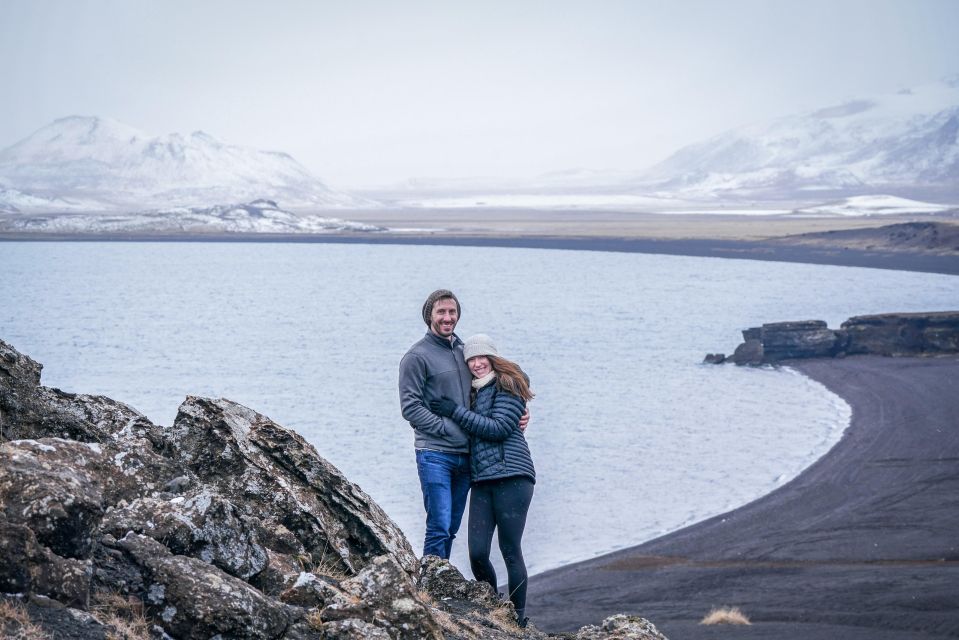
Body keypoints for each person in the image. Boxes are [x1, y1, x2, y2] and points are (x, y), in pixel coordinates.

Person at [429, 333, 536, 628]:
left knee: (510, 550)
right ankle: (493, 606)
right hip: (483, 480)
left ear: (492, 358)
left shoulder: (509, 384)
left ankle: (516, 619)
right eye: (471, 360)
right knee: (477, 552)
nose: (476, 364)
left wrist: (455, 411)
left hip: (514, 476)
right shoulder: (473, 393)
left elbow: (499, 428)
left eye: (481, 358)